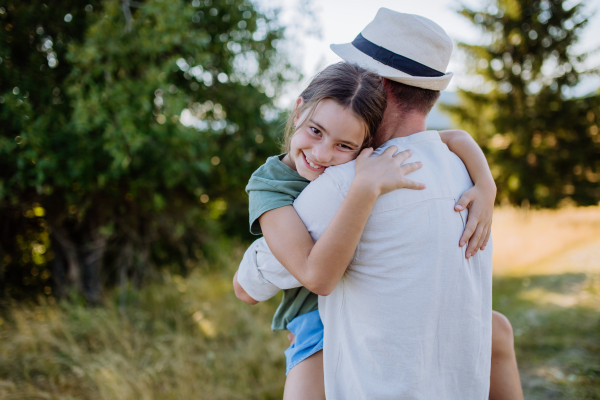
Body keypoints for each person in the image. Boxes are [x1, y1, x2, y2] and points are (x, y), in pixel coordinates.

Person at [235, 9, 523, 400]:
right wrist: (485, 182)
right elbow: (452, 138)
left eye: (359, 72)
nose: (324, 152)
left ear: (378, 87)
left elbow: (251, 285)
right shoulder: (457, 171)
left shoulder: (352, 176)